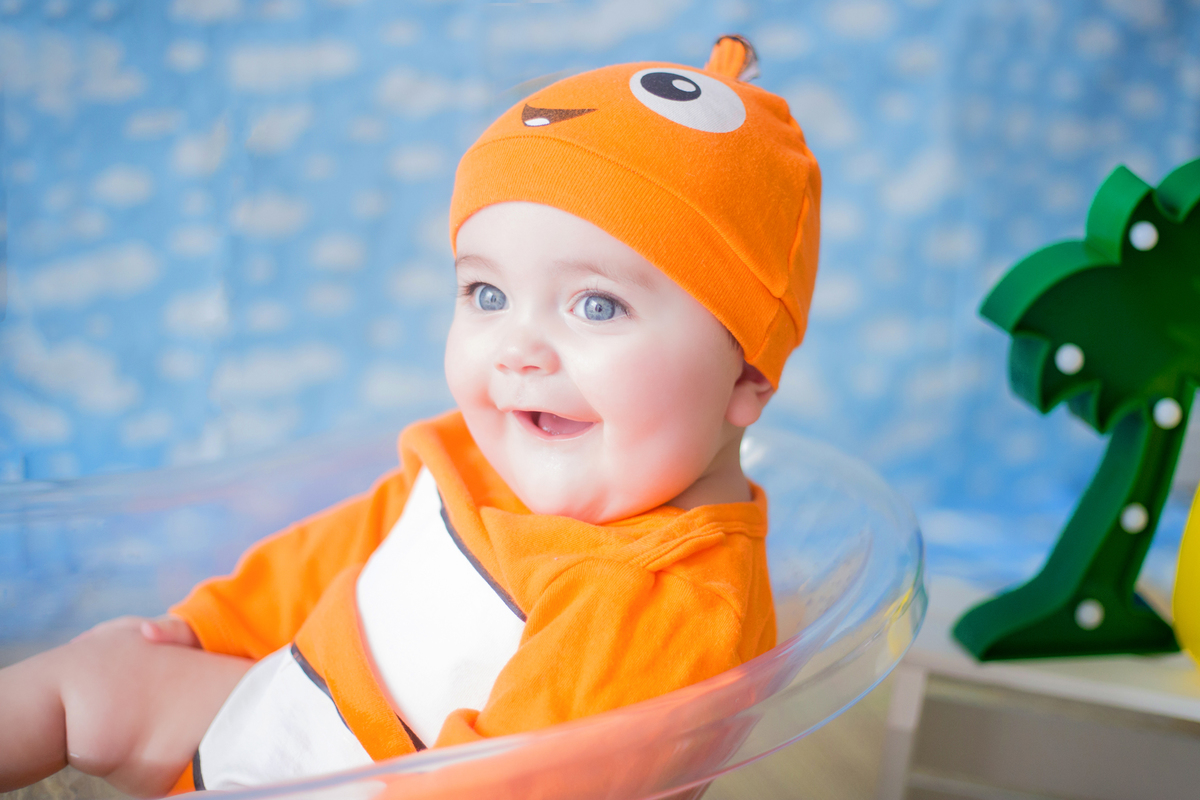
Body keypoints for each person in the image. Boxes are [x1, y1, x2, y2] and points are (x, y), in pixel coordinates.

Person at [0, 35, 820, 796]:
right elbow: (343, 549)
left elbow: (510, 780)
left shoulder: (661, 602)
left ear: (748, 371)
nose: (517, 350)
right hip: (276, 702)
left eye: (596, 305)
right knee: (88, 682)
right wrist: (207, 628)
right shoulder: (484, 455)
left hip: (369, 780)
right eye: (487, 295)